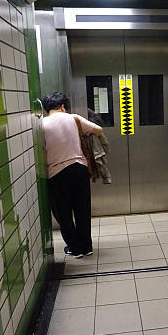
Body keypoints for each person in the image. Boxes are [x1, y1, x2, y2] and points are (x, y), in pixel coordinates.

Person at [42, 92, 102, 258]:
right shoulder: (73, 118)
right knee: (82, 209)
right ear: (62, 106)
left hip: (57, 173)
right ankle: (86, 246)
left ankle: (75, 248)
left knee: (63, 213)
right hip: (80, 169)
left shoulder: (41, 124)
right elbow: (98, 129)